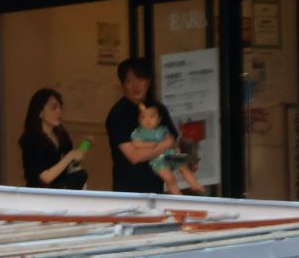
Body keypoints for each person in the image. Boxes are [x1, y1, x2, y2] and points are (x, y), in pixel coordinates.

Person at [105, 57, 179, 194]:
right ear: (122, 84)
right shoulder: (118, 114)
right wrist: (163, 145)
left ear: (148, 82)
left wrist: (164, 145)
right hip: (128, 189)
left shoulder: (158, 109)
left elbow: (173, 141)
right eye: (129, 81)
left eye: (140, 79)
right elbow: (134, 156)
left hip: (158, 186)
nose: (136, 86)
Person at [18, 88, 90, 191]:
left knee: (81, 175)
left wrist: (83, 147)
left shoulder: (62, 136)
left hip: (62, 188)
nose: (59, 112)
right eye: (53, 108)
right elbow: (46, 177)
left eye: (60, 107)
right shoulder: (32, 141)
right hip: (41, 194)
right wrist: (70, 156)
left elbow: (71, 164)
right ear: (40, 112)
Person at [132, 102, 201, 194]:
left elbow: (171, 140)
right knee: (169, 178)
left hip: (170, 153)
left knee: (184, 167)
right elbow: (136, 143)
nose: (148, 120)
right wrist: (148, 145)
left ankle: (195, 184)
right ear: (139, 120)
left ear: (159, 119)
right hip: (157, 160)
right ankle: (177, 195)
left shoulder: (163, 129)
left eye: (152, 117)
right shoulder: (139, 132)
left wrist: (175, 147)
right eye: (144, 117)